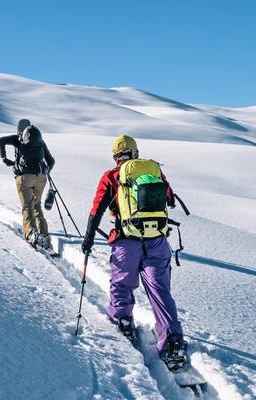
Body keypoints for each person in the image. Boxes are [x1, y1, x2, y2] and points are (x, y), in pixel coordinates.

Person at [80, 134, 188, 371]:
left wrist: (88, 238)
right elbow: (169, 199)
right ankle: (172, 342)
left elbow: (97, 208)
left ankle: (122, 320)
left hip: (126, 242)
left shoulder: (112, 176)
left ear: (116, 156)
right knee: (160, 291)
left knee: (122, 284)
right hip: (157, 241)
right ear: (136, 153)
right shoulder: (154, 171)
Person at [0, 119, 56, 250]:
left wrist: (5, 159)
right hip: (41, 178)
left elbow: (1, 140)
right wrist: (46, 170)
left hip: (24, 177)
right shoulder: (41, 142)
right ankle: (44, 236)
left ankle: (31, 233)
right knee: (36, 206)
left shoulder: (17, 139)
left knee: (27, 206)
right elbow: (51, 161)